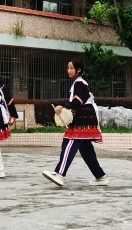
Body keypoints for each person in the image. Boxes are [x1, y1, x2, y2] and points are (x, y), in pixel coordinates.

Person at [42, 58, 108, 188]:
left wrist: (63, 105)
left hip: (83, 118)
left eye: (71, 68)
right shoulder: (80, 82)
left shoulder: (79, 83)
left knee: (69, 141)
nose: (69, 70)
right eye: (68, 68)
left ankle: (59, 174)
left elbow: (77, 102)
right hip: (88, 117)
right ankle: (100, 176)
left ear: (78, 70)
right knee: (86, 149)